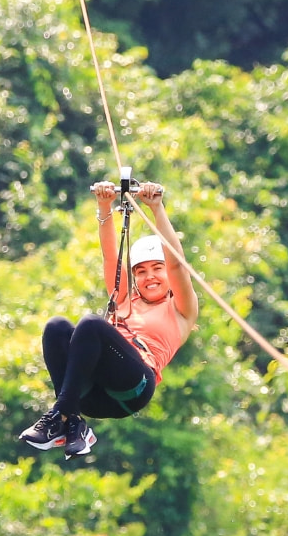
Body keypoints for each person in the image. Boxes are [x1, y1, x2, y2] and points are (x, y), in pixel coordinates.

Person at [18, 179, 200, 457]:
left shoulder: (181, 310)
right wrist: (104, 206)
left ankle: (59, 416)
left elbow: (176, 262)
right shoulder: (125, 298)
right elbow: (109, 257)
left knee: (91, 324)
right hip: (92, 396)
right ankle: (73, 422)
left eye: (156, 269)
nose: (149, 276)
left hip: (133, 387)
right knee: (57, 326)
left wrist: (157, 208)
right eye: (141, 271)